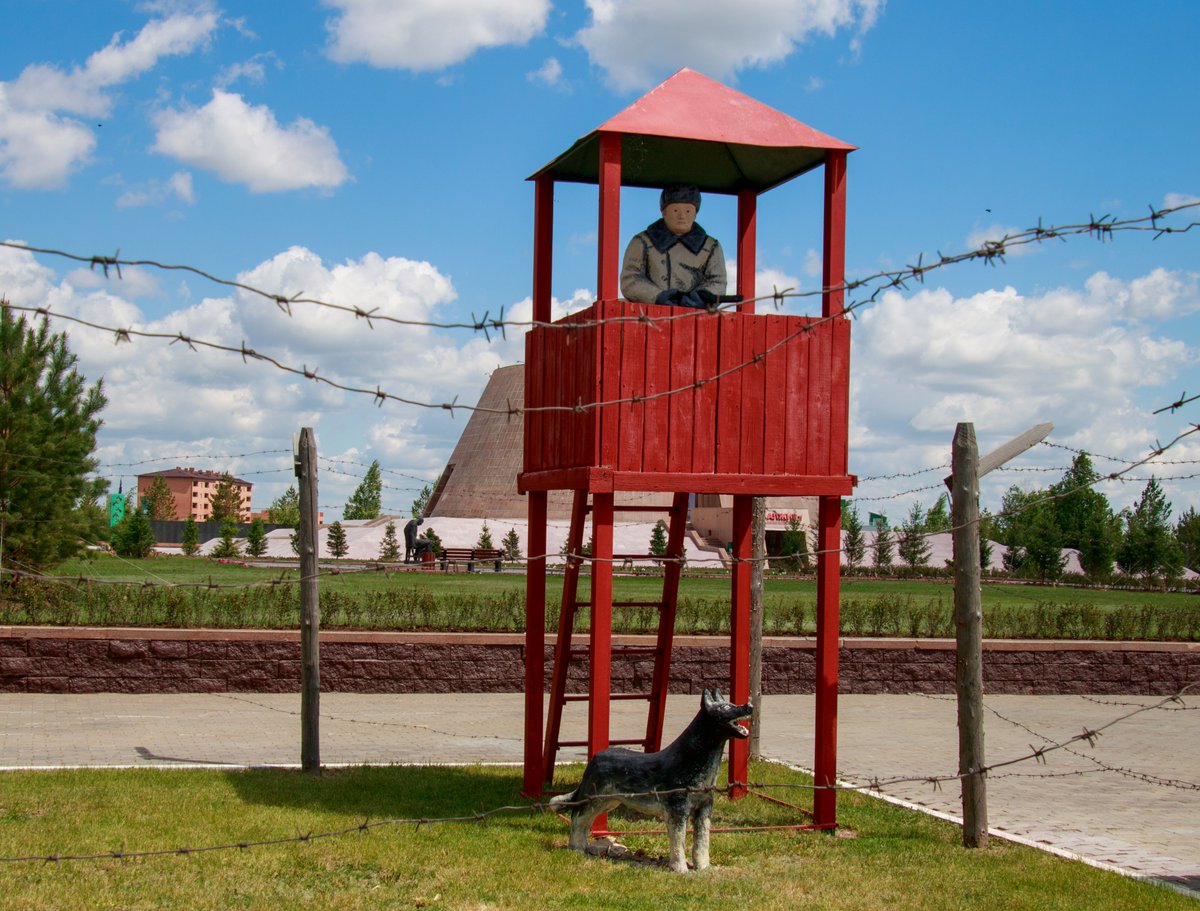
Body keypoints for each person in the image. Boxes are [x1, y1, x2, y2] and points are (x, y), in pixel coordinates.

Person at [620, 185, 727, 308]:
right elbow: (630, 279)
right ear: (664, 212)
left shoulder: (711, 247)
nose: (682, 216)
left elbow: (717, 281)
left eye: (688, 211)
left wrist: (701, 298)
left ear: (695, 214)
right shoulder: (642, 242)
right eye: (675, 210)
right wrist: (657, 296)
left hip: (697, 320)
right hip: (649, 317)